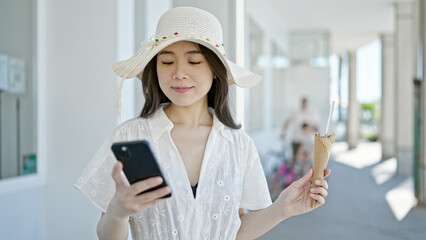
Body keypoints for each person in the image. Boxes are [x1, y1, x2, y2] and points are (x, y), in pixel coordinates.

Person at [74, 7, 330, 240]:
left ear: (215, 70)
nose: (179, 73)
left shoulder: (238, 145)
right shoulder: (130, 136)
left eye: (194, 61)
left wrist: (281, 209)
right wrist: (118, 212)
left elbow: (236, 230)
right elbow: (106, 235)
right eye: (166, 61)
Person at [281, 98, 320, 169]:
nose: (304, 105)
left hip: (308, 141)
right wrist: (284, 132)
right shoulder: (295, 111)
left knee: (308, 162)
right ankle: (295, 176)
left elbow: (316, 126)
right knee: (296, 160)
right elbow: (287, 121)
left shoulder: (312, 113)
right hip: (297, 139)